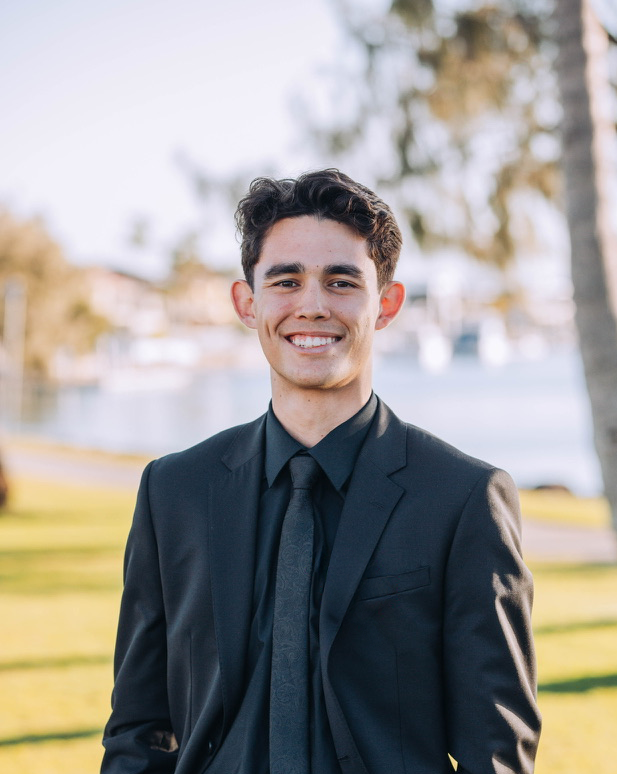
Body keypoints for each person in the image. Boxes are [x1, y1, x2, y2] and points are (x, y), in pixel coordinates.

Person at [102, 169, 541, 774]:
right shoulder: (173, 491)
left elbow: (495, 749)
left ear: (385, 303)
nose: (312, 305)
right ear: (246, 301)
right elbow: (138, 728)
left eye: (341, 282)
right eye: (286, 281)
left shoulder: (463, 499)